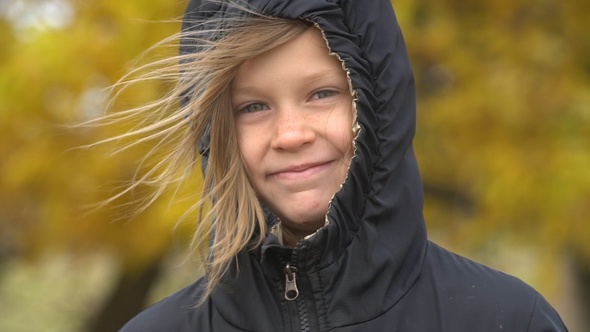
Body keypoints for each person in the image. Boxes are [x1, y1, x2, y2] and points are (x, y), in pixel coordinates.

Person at [117, 0, 568, 330]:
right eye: (253, 107)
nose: (291, 134)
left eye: (322, 94)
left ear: (378, 105)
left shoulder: (505, 318)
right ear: (217, 135)